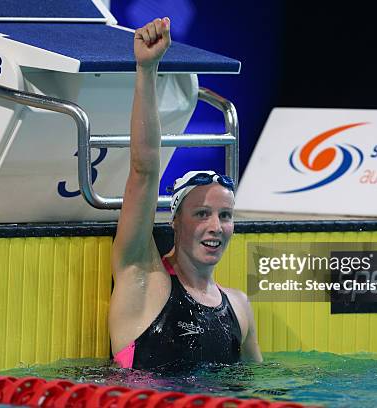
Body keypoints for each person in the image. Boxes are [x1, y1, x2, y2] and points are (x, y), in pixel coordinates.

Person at [109, 17, 262, 370]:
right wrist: (147, 70)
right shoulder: (142, 279)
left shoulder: (239, 308)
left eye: (225, 216)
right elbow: (144, 171)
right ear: (176, 221)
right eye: (202, 213)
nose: (216, 226)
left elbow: (258, 391)